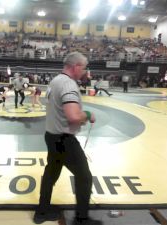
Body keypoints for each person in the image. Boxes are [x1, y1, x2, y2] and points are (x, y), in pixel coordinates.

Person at [34, 52, 101, 225]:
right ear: (76, 66)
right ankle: (81, 219)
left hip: (51, 135)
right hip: (64, 140)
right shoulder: (68, 85)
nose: (84, 72)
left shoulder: (55, 81)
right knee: (84, 178)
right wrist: (87, 114)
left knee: (51, 173)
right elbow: (72, 116)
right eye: (84, 68)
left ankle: (42, 212)